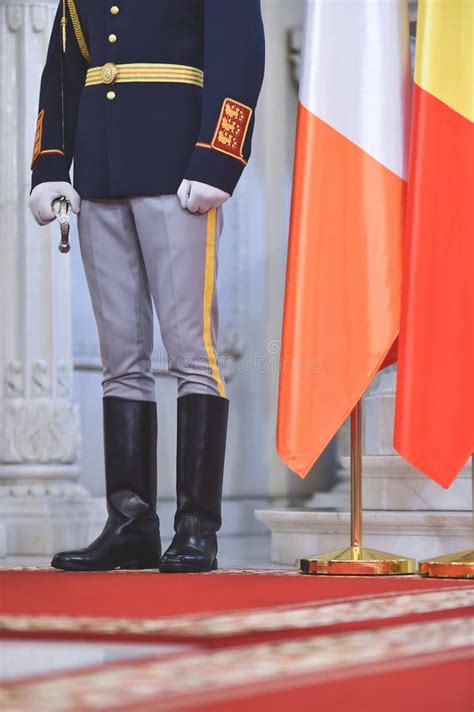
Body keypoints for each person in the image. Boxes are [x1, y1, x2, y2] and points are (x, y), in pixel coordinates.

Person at [28, 0, 265, 573]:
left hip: (177, 165)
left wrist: (218, 157)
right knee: (120, 361)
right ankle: (131, 522)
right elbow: (63, 67)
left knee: (191, 352)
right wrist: (51, 165)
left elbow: (240, 53)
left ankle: (196, 529)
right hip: (99, 166)